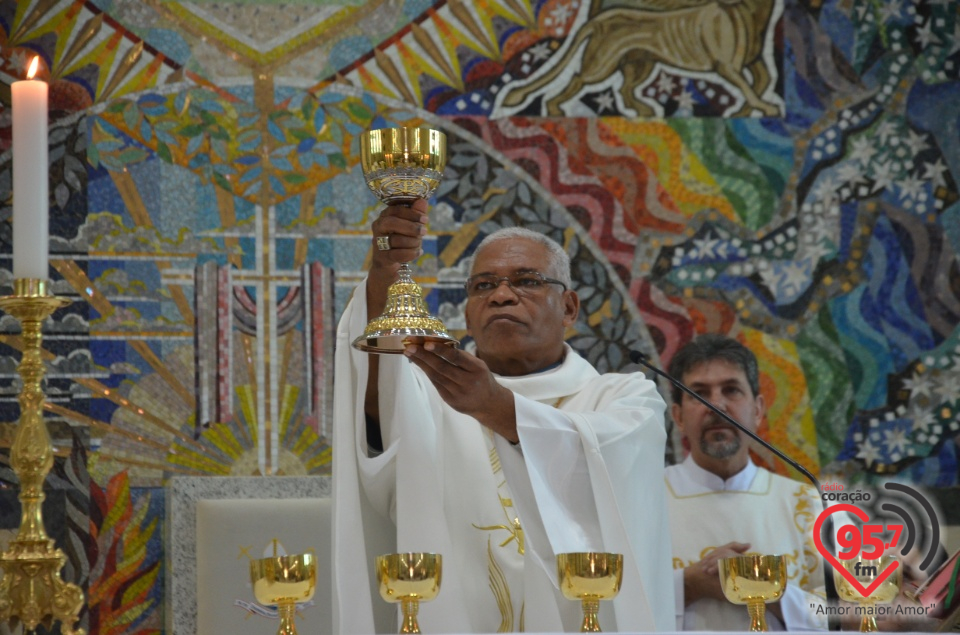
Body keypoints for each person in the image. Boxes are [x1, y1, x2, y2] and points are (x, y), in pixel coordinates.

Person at [332, 198, 675, 633]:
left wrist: (495, 408)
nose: (501, 295)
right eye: (482, 286)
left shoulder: (623, 399)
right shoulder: (432, 399)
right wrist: (385, 270)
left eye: (527, 281)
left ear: (569, 307)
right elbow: (373, 381)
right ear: (469, 315)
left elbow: (611, 481)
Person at [664, 333, 826, 631]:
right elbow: (610, 606)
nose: (716, 405)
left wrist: (766, 590)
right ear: (678, 416)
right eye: (699, 393)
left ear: (758, 410)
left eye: (731, 390)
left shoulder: (811, 505)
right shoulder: (641, 500)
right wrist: (689, 585)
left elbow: (854, 615)